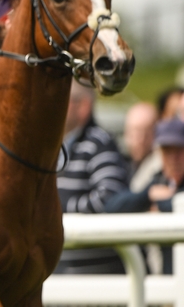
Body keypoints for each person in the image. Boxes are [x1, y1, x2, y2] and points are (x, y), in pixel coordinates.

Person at [54, 81, 131, 274]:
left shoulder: (98, 142)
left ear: (83, 107)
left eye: (61, 99)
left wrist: (59, 208)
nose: (53, 103)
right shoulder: (57, 145)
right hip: (64, 274)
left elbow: (110, 197)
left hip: (96, 278)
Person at [106, 116, 184, 274]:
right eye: (168, 151)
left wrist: (163, 205)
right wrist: (147, 196)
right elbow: (111, 207)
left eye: (179, 151)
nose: (173, 159)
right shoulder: (157, 180)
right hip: (164, 281)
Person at [124, 101, 161, 192]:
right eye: (136, 131)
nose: (141, 139)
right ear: (126, 132)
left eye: (147, 131)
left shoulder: (160, 170)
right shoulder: (117, 163)